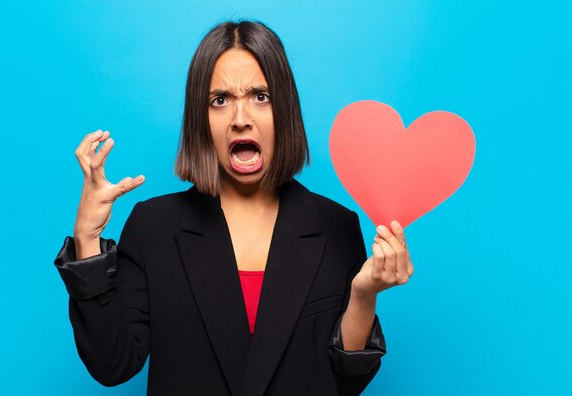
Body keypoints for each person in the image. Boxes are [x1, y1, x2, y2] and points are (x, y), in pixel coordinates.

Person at [54, 20, 414, 396]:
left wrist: (363, 294)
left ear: (285, 111)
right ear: (200, 118)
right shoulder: (153, 227)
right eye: (220, 100)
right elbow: (112, 364)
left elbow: (346, 379)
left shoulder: (336, 225)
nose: (241, 119)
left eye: (261, 96)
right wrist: (88, 241)